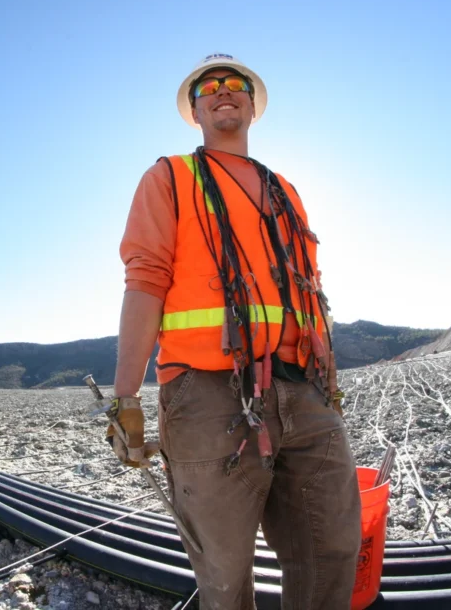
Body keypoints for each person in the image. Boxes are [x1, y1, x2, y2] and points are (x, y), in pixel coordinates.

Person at [108, 54, 362, 610]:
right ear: (195, 110)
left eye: (235, 85)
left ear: (251, 104)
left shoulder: (284, 190)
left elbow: (311, 296)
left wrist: (330, 386)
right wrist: (127, 397)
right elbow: (145, 282)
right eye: (209, 87)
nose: (223, 91)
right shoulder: (169, 177)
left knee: (332, 551)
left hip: (306, 391)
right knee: (224, 577)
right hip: (206, 394)